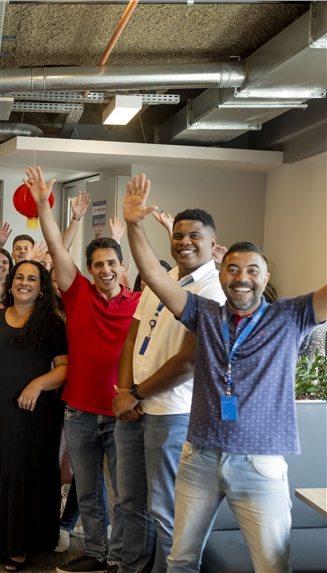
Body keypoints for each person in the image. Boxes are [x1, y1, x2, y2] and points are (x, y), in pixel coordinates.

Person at [122, 174, 327, 573]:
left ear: (265, 277)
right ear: (220, 274)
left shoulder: (291, 316)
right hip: (200, 456)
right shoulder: (205, 314)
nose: (242, 277)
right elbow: (155, 277)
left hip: (259, 463)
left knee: (272, 565)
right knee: (181, 560)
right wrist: (134, 225)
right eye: (232, 269)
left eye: (252, 270)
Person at [25, 166, 141, 573]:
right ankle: (96, 553)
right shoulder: (77, 294)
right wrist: (43, 204)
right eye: (98, 264)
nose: (105, 270)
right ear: (89, 269)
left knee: (123, 494)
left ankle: (120, 558)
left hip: (123, 414)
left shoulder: (139, 303)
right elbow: (57, 249)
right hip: (79, 412)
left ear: (123, 266)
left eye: (112, 263)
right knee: (88, 492)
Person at [111, 209, 225, 573]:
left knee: (164, 510)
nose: (185, 242)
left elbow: (189, 361)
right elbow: (133, 337)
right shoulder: (163, 279)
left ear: (212, 242)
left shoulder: (214, 290)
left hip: (173, 413)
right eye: (178, 235)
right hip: (134, 407)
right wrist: (125, 392)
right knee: (130, 502)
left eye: (194, 236)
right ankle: (132, 569)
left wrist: (136, 394)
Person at [0, 260, 69, 571]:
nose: (24, 283)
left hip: (37, 412)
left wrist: (38, 384)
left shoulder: (52, 321)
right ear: (10, 283)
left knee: (27, 473)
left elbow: (64, 368)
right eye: (19, 277)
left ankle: (21, 545)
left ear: (41, 287)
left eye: (32, 278)